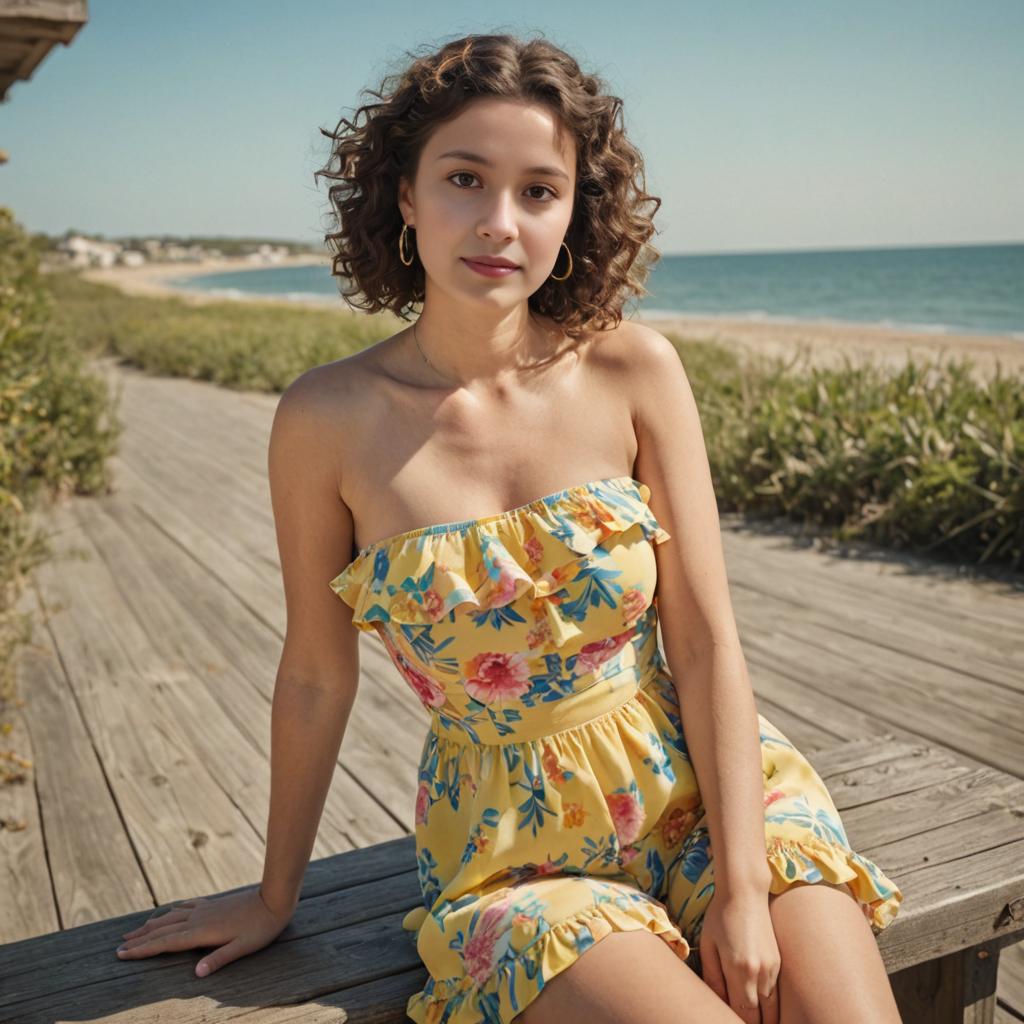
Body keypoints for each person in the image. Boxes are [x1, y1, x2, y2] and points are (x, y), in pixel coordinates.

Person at [114, 32, 904, 1024]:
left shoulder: (636, 371)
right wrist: (277, 894)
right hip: (511, 854)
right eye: (463, 179)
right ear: (404, 196)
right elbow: (316, 671)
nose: (499, 222)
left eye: (538, 190)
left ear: (575, 211)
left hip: (709, 799)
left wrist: (744, 888)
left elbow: (704, 642)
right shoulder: (326, 418)